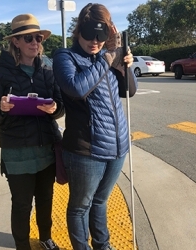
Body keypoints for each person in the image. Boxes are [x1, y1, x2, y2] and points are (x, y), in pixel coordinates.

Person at [53, 3, 137, 250]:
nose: (95, 42)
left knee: (100, 201)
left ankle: (103, 246)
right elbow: (76, 88)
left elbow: (129, 92)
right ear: (78, 31)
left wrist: (124, 66)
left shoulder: (108, 56)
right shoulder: (65, 57)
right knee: (80, 207)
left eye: (101, 36)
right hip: (85, 151)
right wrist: (108, 60)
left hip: (117, 146)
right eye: (89, 34)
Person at [0, 13, 64, 250]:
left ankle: (45, 238)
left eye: (38, 38)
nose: (35, 43)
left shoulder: (48, 72)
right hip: (17, 153)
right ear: (16, 42)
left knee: (46, 200)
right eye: (28, 38)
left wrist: (54, 108)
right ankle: (22, 245)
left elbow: (60, 107)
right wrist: (0, 107)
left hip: (45, 150)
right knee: (21, 204)